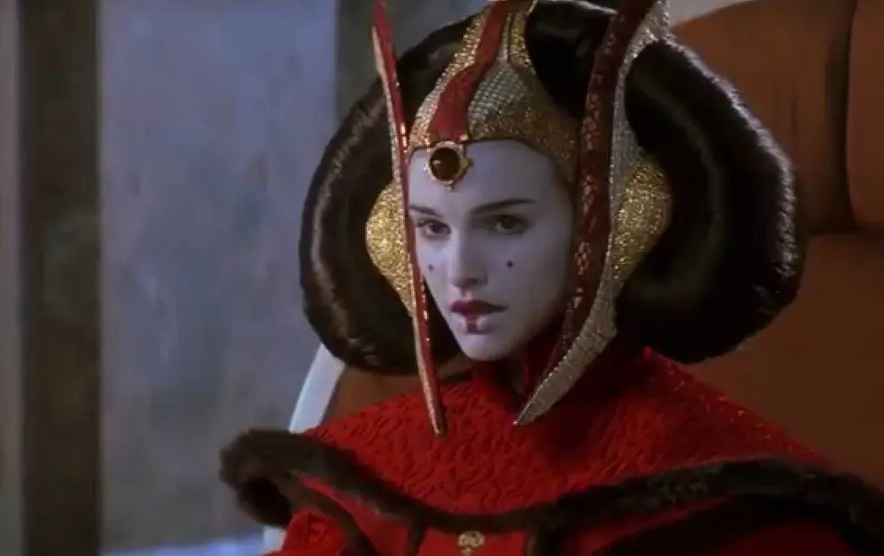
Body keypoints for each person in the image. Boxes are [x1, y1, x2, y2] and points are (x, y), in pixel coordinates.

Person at [222, 0, 884, 554]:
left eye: (506, 223)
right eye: (432, 228)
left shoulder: (742, 510)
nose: (460, 271)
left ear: (613, 223)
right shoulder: (356, 487)